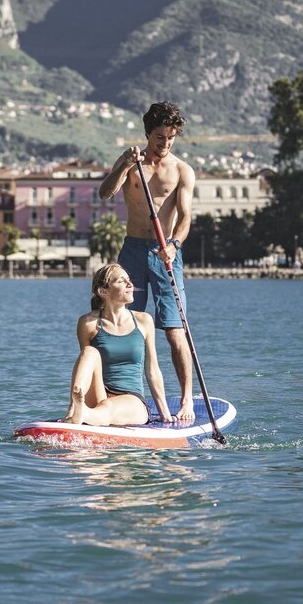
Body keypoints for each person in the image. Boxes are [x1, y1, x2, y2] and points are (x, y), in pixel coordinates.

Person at [98, 101, 198, 420]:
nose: (164, 144)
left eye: (170, 138)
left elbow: (185, 217)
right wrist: (124, 166)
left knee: (173, 331)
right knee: (129, 325)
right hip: (132, 252)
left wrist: (175, 245)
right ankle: (128, 396)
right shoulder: (132, 161)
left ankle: (186, 401)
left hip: (165, 253)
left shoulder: (182, 170)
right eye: (159, 137)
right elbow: (105, 193)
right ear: (147, 134)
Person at [61, 264, 175, 426]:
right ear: (103, 292)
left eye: (129, 280)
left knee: (108, 407)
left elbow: (152, 369)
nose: (130, 285)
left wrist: (165, 413)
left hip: (132, 400)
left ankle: (85, 414)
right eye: (122, 281)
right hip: (100, 394)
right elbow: (87, 368)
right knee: (89, 352)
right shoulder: (88, 323)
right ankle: (74, 409)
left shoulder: (144, 321)